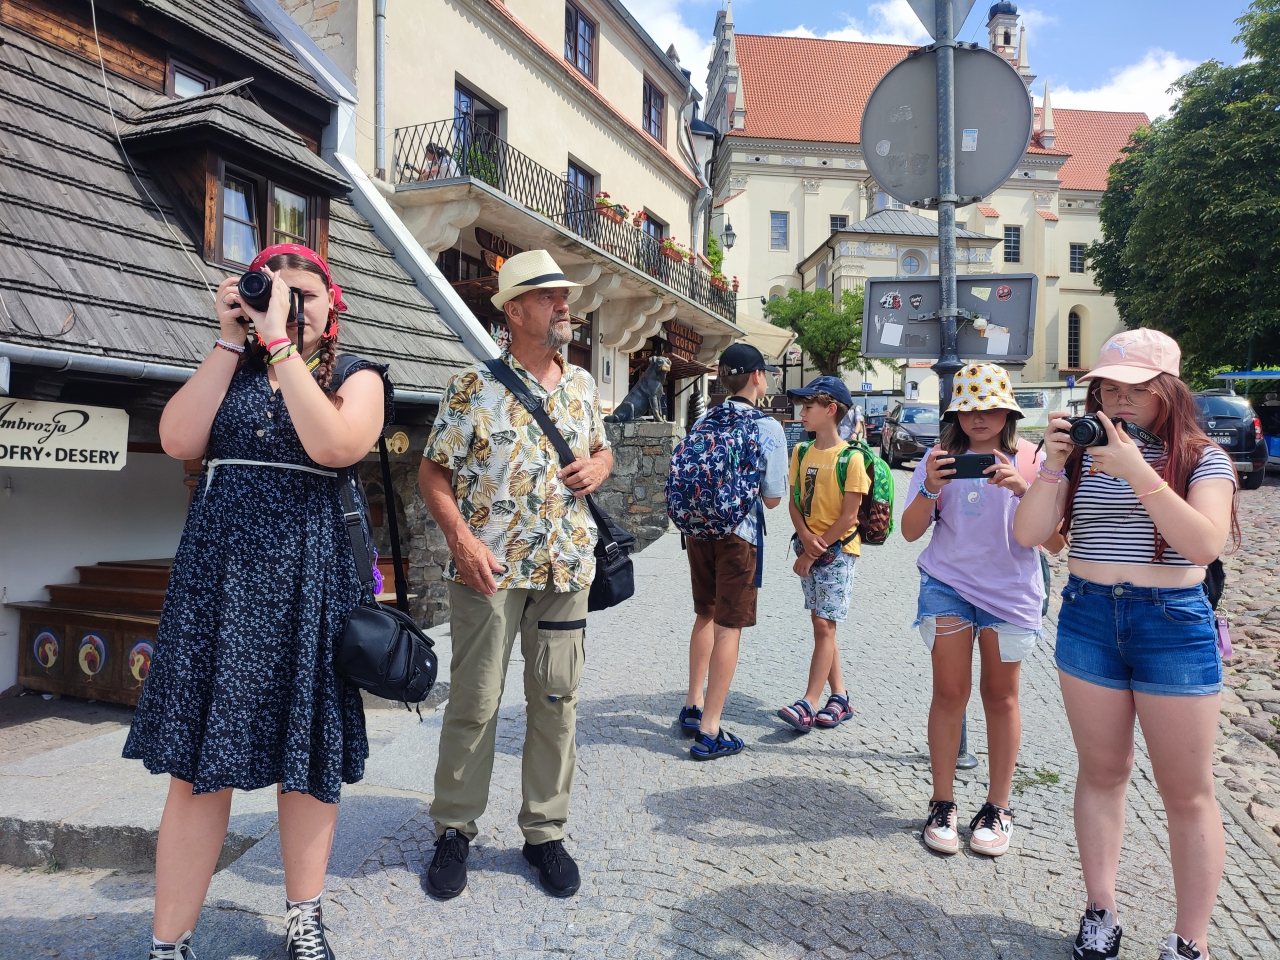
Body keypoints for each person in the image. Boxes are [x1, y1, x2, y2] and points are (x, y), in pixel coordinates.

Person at [123, 244, 393, 960]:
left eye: (306, 295)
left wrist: (279, 344)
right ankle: (168, 942)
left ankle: (304, 916)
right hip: (219, 582)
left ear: (335, 308)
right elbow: (177, 437)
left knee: (309, 760)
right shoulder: (232, 367)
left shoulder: (359, 376)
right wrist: (228, 338)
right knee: (196, 765)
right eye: (278, 292)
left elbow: (336, 444)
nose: (292, 304)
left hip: (309, 580)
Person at [1014, 329, 1238, 960]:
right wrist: (1053, 464)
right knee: (1104, 772)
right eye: (1109, 387)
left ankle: (1188, 939)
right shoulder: (1080, 457)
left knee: (1186, 789)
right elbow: (1031, 533)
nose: (1119, 398)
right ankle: (1101, 910)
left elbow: (1203, 544)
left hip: (1171, 620)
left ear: (1167, 390)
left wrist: (1140, 472)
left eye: (1136, 387)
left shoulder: (1203, 457)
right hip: (1088, 616)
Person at [418, 250, 613, 900]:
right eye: (549, 295)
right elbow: (432, 473)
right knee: (474, 704)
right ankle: (454, 829)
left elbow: (600, 446)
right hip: (488, 573)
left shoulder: (583, 386)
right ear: (514, 310)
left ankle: (544, 833)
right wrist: (461, 541)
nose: (564, 305)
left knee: (556, 703)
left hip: (566, 570)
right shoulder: (472, 386)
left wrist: (603, 466)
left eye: (564, 295)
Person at [899, 364, 1062, 858]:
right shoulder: (938, 457)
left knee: (1001, 696)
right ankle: (942, 801)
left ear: (1008, 411)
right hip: (948, 585)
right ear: (956, 413)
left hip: (1010, 591)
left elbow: (1056, 542)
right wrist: (929, 486)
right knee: (949, 692)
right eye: (968, 409)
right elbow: (909, 532)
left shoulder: (1034, 459)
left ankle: (998, 806)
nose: (979, 418)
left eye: (989, 407)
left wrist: (1021, 488)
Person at [675, 343, 787, 759]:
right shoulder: (767, 428)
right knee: (729, 627)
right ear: (757, 376)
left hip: (698, 531)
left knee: (704, 613)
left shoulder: (705, 419)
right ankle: (711, 730)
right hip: (740, 535)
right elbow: (774, 498)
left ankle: (692, 705)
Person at [776, 376, 869, 733]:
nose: (801, 413)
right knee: (823, 625)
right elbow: (795, 501)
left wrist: (815, 550)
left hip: (838, 552)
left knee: (822, 625)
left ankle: (809, 702)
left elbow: (850, 516)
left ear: (830, 410)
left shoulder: (851, 458)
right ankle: (841, 696)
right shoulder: (800, 452)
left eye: (808, 407)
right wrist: (803, 535)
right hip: (810, 548)